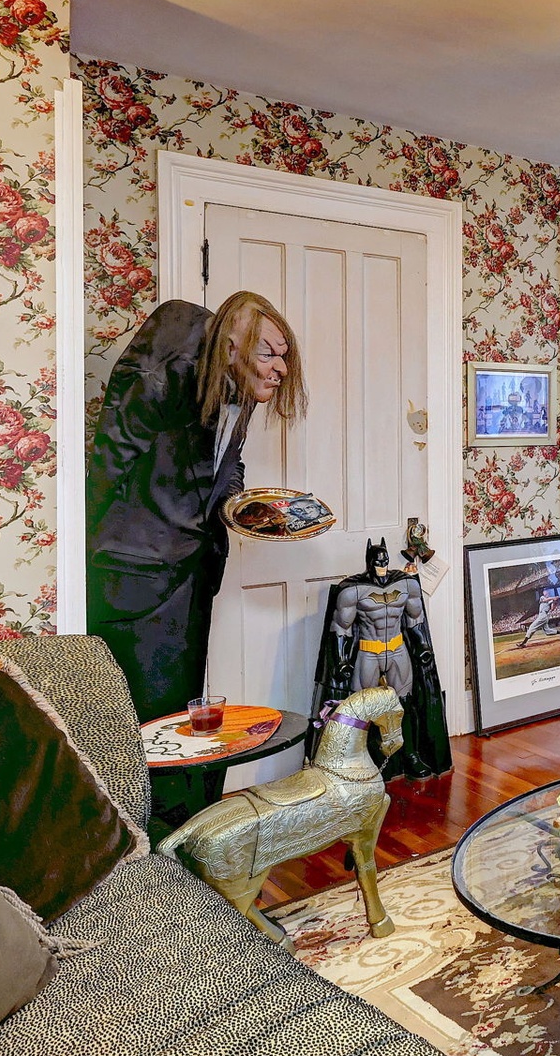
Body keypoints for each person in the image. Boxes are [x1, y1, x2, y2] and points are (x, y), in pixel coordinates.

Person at [87, 291, 305, 721]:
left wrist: (239, 507)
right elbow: (107, 467)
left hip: (194, 571)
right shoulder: (167, 374)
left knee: (180, 714)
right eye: (267, 354)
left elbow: (227, 459)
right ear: (230, 348)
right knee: (139, 718)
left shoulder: (240, 383)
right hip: (137, 576)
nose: (281, 369)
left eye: (283, 356)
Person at [309, 539, 451, 779]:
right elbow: (342, 627)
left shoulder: (406, 585)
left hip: (397, 650)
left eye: (385, 562)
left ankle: (410, 755)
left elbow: (415, 618)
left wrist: (422, 645)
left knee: (405, 704)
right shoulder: (353, 590)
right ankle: (362, 759)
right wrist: (342, 659)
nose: (382, 566)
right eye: (378, 562)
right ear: (369, 562)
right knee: (361, 707)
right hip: (369, 652)